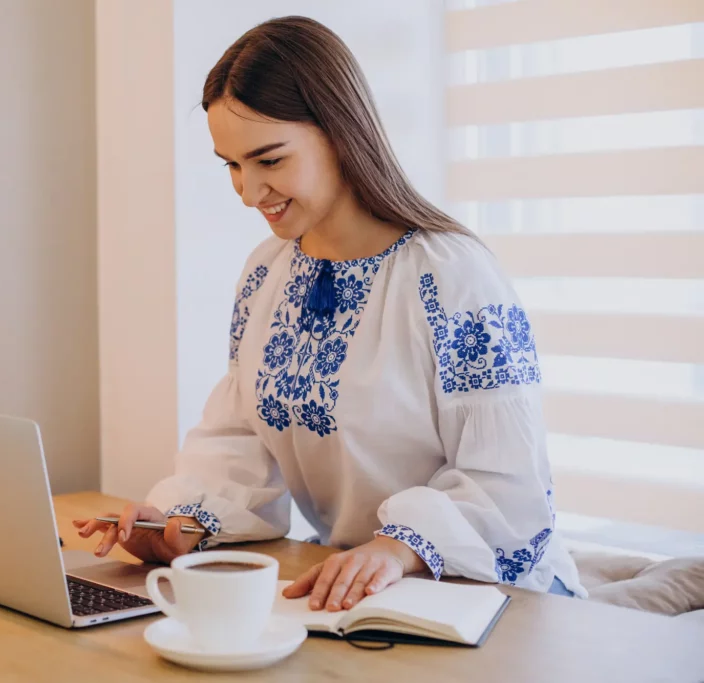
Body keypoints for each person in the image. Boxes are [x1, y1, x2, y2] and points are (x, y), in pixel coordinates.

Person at [74, 15, 584, 611]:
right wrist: (173, 528)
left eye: (269, 160)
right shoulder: (266, 273)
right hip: (351, 592)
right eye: (232, 165)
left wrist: (397, 548)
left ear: (340, 133)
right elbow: (241, 440)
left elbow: (508, 485)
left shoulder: (452, 276)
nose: (247, 192)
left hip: (488, 601)